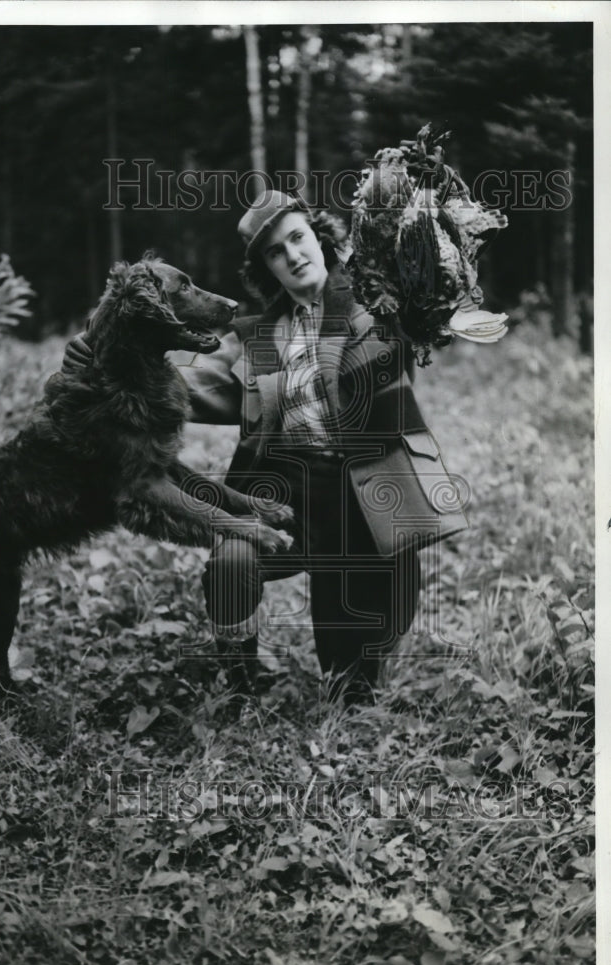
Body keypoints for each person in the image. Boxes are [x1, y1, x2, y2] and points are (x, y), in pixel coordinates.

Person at [176, 190, 467, 702]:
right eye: (275, 251)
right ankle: (241, 683)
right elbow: (188, 386)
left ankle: (360, 665)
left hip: (366, 495)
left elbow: (435, 289)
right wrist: (109, 369)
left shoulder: (376, 305)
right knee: (231, 564)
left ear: (320, 239)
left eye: (297, 237)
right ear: (267, 268)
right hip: (283, 496)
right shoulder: (258, 338)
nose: (291, 255)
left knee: (350, 682)